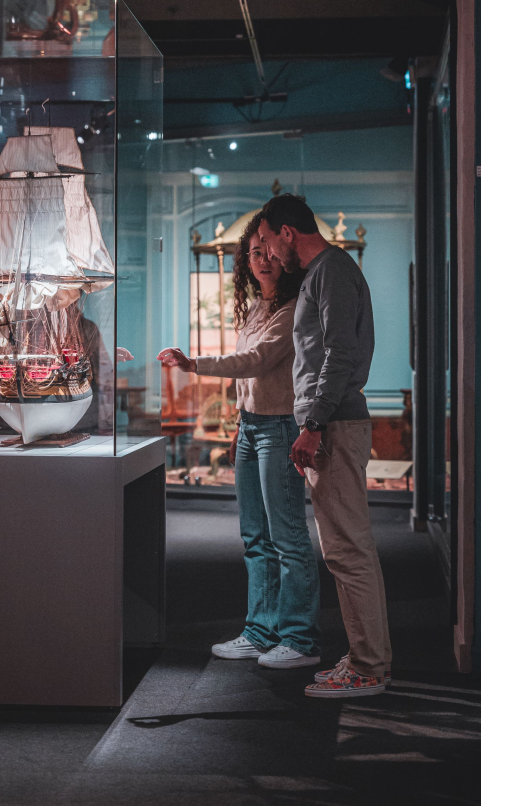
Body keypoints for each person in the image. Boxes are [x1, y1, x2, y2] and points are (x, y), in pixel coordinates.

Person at [157, 213, 321, 669]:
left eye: (268, 250)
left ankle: (301, 640)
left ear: (283, 256)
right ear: (245, 263)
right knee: (254, 538)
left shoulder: (292, 309)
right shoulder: (254, 309)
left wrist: (194, 365)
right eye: (254, 253)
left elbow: (256, 361)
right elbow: (250, 383)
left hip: (280, 430)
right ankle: (260, 631)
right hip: (252, 429)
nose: (263, 259)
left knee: (287, 538)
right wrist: (237, 427)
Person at [257, 193, 391, 699]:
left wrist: (312, 425)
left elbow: (339, 352)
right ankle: (367, 659)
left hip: (333, 426)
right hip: (330, 424)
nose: (268, 254)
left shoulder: (330, 269)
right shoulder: (323, 273)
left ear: (288, 233)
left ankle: (369, 668)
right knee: (347, 551)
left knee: (347, 552)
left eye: (269, 241)